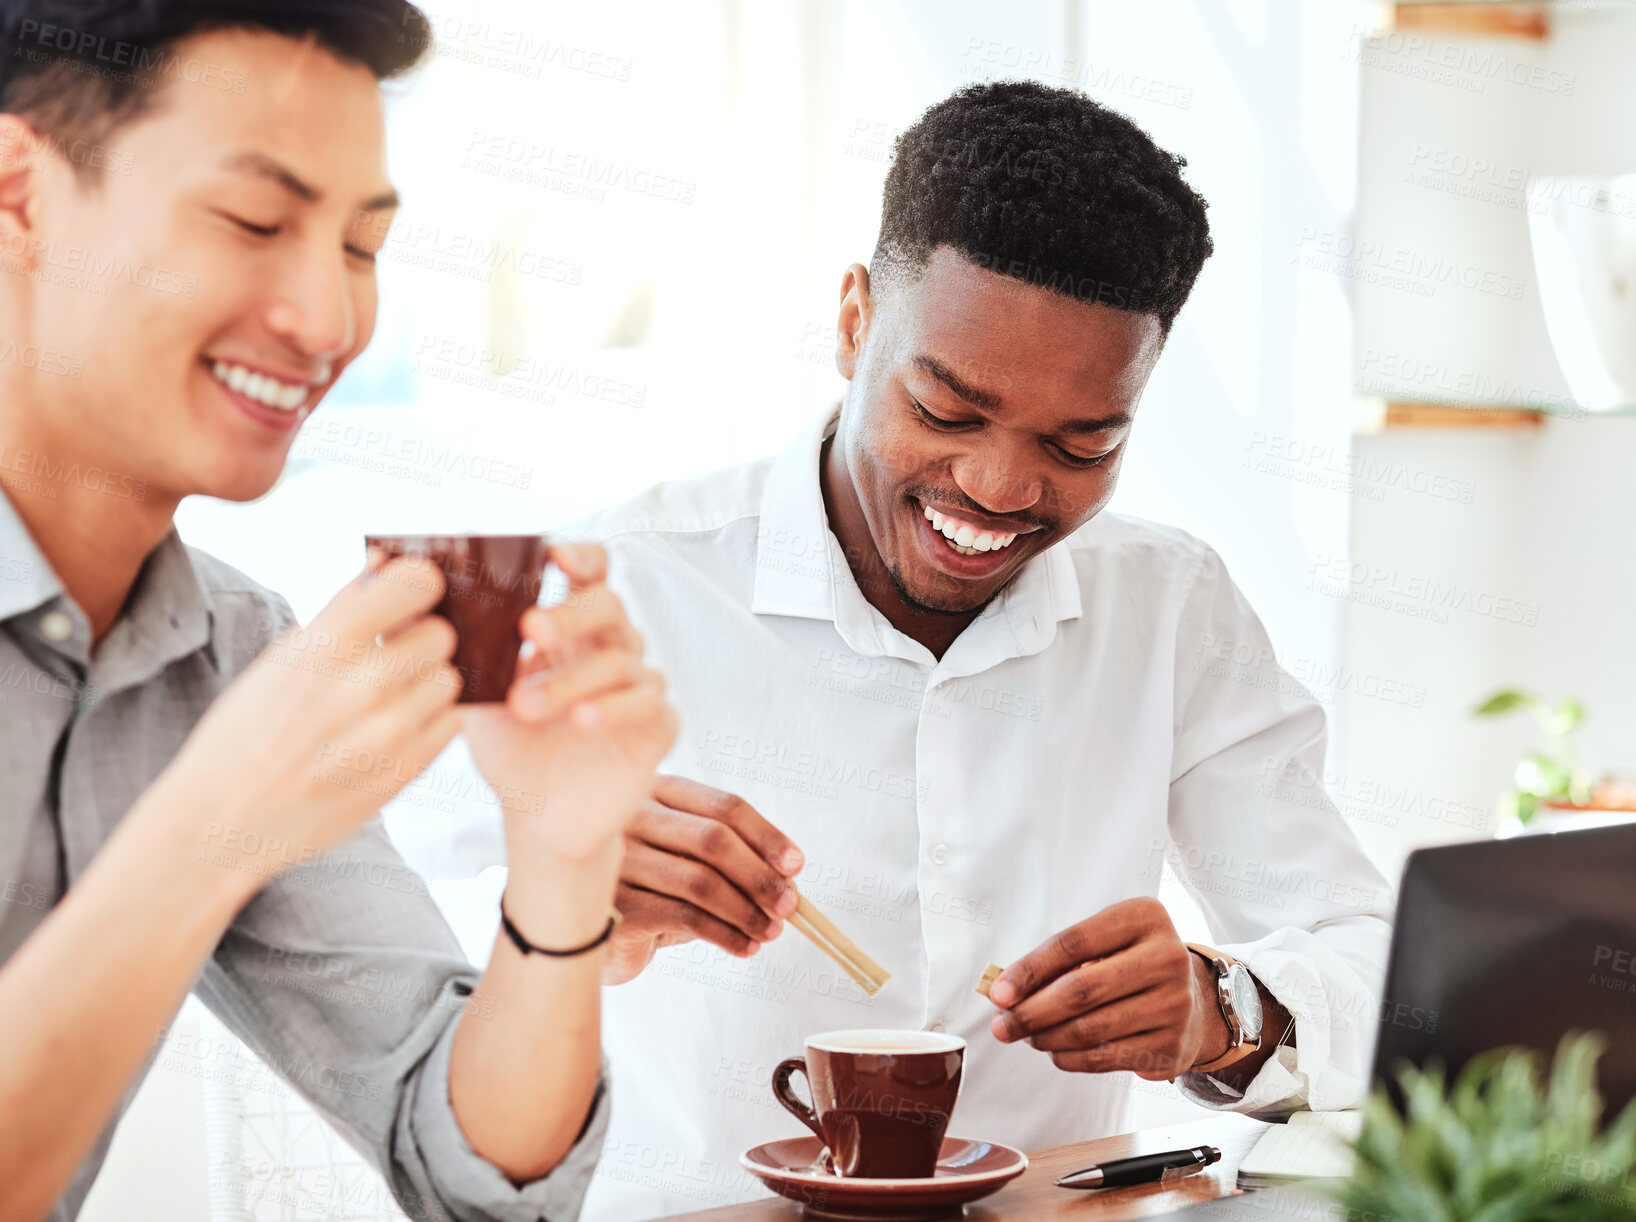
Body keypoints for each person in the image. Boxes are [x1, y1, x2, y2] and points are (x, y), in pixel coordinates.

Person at [503, 81, 1391, 1220]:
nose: (999, 488)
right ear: (853, 321)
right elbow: (416, 976)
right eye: (948, 409)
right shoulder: (614, 586)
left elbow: (1372, 959)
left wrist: (1224, 1012)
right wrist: (571, 908)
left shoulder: (1169, 607)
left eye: (1083, 442)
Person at [0, 3, 675, 1220]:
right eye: (254, 222)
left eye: (360, 248)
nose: (328, 324)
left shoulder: (233, 656)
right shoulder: (247, 728)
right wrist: (214, 827)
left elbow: (479, 1166)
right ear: (20, 193)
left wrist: (563, 857)